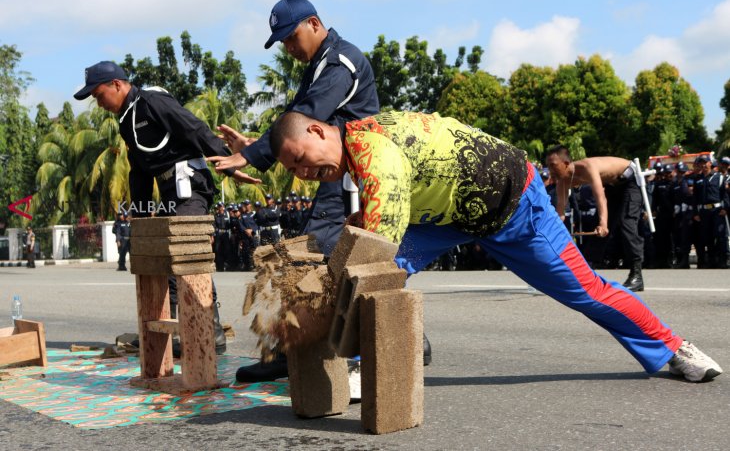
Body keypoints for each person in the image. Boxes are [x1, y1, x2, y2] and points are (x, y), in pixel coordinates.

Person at [270, 110, 724, 383]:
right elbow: (384, 217)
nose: (303, 174)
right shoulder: (358, 145)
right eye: (294, 171)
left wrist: (312, 301)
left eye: (299, 160)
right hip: (451, 217)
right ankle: (357, 363)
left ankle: (672, 346)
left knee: (586, 291)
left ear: (317, 132)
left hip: (515, 208)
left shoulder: (372, 153)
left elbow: (376, 246)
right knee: (371, 267)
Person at [208, 0, 416, 382]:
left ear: (315, 24)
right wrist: (254, 144)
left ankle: (301, 350)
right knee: (342, 260)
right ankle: (403, 339)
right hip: (339, 176)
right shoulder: (321, 64)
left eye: (291, 37)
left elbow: (307, 117)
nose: (288, 48)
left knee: (315, 258)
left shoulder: (339, 62)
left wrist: (251, 155)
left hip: (351, 175)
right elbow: (297, 123)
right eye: (282, 42)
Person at [74, 60, 230, 355]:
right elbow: (139, 171)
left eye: (98, 95)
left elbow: (194, 129)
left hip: (190, 184)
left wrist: (231, 164)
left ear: (117, 85)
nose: (98, 103)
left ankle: (212, 330)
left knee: (184, 254)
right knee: (163, 258)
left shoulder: (153, 101)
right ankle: (176, 328)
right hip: (169, 190)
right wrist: (141, 217)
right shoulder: (125, 121)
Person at [545, 146, 646, 292]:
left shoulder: (587, 167)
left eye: (553, 166)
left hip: (630, 180)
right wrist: (551, 231)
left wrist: (603, 223)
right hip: (613, 186)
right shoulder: (563, 181)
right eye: (548, 166)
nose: (550, 171)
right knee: (596, 229)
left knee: (626, 224)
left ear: (566, 163)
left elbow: (600, 198)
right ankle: (585, 274)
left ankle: (637, 276)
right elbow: (560, 212)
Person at [692, 155, 728, 269]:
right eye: (701, 163)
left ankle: (723, 261)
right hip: (704, 212)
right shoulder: (698, 179)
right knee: (707, 237)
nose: (703, 165)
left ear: (710, 163)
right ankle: (711, 261)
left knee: (721, 236)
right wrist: (695, 213)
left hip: (717, 211)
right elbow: (695, 197)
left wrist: (725, 208)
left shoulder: (719, 177)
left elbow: (725, 194)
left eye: (705, 162)